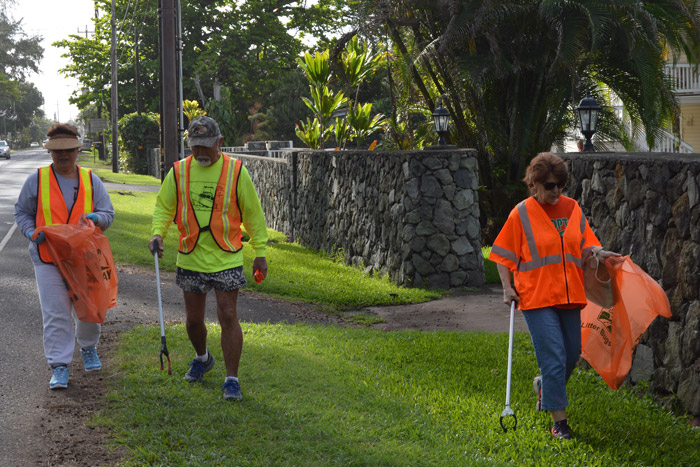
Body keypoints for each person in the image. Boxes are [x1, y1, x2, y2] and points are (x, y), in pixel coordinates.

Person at [489, 152, 619, 440]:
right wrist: (506, 287)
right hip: (536, 298)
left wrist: (601, 253)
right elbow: (502, 255)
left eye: (560, 184)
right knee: (554, 358)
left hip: (570, 296)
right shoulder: (521, 213)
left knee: (572, 354)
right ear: (534, 183)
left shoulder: (572, 208)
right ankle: (559, 422)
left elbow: (586, 244)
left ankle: (544, 387)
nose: (556, 191)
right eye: (549, 185)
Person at [149, 116, 268, 401]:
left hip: (227, 255)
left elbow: (253, 214)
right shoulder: (178, 172)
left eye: (206, 146)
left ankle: (231, 379)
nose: (200, 152)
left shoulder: (236, 171)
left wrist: (260, 253)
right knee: (192, 321)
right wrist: (158, 234)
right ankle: (202, 359)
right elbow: (164, 208)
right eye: (195, 147)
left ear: (220, 143)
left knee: (227, 315)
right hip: (190, 256)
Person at [14, 123, 115, 390]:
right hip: (47, 256)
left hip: (84, 259)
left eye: (68, 150)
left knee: (89, 308)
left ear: (78, 150)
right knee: (56, 312)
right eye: (57, 151)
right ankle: (59, 365)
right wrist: (30, 231)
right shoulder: (36, 180)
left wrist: (96, 218)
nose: (63, 156)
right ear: (50, 153)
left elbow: (108, 214)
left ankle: (88, 347)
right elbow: (22, 212)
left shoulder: (91, 179)